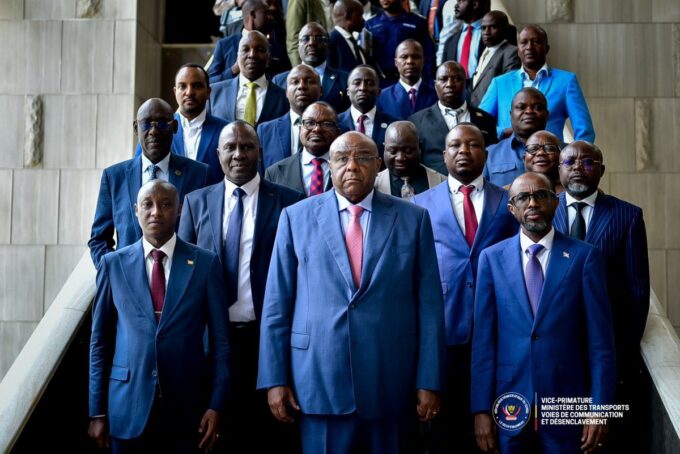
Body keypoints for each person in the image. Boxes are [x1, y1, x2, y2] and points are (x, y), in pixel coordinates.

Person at [257, 131, 446, 453]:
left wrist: (429, 380)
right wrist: (274, 379)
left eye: (362, 158)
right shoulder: (295, 217)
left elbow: (430, 308)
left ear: (379, 164)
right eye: (342, 158)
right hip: (318, 382)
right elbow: (277, 305)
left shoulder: (413, 218)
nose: (352, 166)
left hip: (391, 382)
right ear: (329, 166)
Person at [178, 121, 303, 452]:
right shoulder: (195, 202)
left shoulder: (290, 202)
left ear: (260, 152)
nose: (238, 154)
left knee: (265, 438)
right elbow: (183, 282)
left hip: (266, 342)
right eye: (230, 148)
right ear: (218, 153)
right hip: (212, 343)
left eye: (246, 147)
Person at [472, 172, 616, 453]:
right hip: (509, 403)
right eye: (523, 198)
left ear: (556, 202)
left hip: (567, 404)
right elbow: (483, 344)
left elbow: (601, 344)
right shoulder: (491, 258)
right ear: (511, 208)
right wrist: (480, 410)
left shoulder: (585, 257)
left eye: (541, 195)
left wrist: (599, 409)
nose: (533, 203)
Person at [88, 180, 231, 453]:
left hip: (189, 411)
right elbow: (99, 342)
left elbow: (221, 342)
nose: (156, 212)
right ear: (136, 210)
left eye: (165, 204)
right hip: (126, 409)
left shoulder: (205, 263)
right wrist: (97, 411)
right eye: (148, 204)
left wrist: (216, 405)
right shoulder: (112, 264)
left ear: (179, 209)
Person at [414, 123, 516, 452]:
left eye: (472, 145)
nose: (463, 151)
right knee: (445, 435)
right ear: (444, 155)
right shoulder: (419, 204)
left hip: (498, 330)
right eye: (455, 145)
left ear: (486, 154)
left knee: (494, 433)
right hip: (445, 333)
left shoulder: (509, 202)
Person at [554, 141, 650, 453]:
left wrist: (620, 350)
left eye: (587, 162)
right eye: (569, 162)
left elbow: (637, 292)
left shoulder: (627, 216)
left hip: (606, 352)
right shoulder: (543, 209)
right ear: (559, 169)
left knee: (602, 443)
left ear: (601, 170)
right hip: (555, 352)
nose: (577, 168)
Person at [89, 98, 209, 267]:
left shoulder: (199, 174)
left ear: (175, 127)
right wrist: (114, 273)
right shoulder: (114, 177)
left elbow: (206, 236)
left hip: (182, 276)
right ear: (135, 128)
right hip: (129, 278)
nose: (153, 131)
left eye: (162, 123)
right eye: (146, 124)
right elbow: (99, 239)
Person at [479, 25, 595, 142]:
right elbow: (479, 124)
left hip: (550, 152)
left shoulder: (566, 81)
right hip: (508, 152)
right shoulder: (499, 83)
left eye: (536, 42)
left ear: (547, 48)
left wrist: (576, 153)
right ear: (518, 50)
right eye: (524, 42)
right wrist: (503, 133)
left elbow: (584, 130)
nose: (529, 47)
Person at [134, 64, 227, 185]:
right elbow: (138, 171)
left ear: (208, 92)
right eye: (182, 86)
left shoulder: (225, 130)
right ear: (175, 91)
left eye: (196, 86)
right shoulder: (155, 128)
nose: (189, 92)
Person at [408, 60, 496, 175]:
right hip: (434, 184)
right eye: (444, 79)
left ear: (466, 84)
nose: (450, 84)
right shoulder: (416, 121)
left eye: (456, 79)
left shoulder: (486, 120)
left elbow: (492, 158)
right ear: (435, 85)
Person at [210, 31, 288, 125]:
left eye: (259, 50)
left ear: (268, 59)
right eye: (245, 49)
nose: (252, 55)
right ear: (237, 57)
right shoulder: (213, 93)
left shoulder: (284, 98)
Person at [264, 101, 340, 195]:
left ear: (337, 133)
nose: (317, 129)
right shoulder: (274, 173)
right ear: (300, 129)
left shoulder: (348, 168)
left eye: (326, 124)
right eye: (310, 123)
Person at [273, 22, 350, 113]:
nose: (312, 43)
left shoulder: (345, 80)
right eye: (305, 39)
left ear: (328, 44)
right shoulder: (279, 81)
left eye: (319, 39)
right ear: (298, 45)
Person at [208, 0, 291, 83]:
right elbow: (211, 81)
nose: (271, 17)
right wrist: (233, 70)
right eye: (266, 13)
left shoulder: (277, 45)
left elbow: (286, 78)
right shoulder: (224, 45)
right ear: (253, 14)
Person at [258, 64, 323, 169]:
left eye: (310, 81)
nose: (302, 86)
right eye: (295, 82)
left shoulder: (338, 130)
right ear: (286, 92)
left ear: (321, 90)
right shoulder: (265, 131)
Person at [483, 87, 549, 187]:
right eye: (521, 107)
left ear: (547, 115)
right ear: (511, 115)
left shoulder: (563, 153)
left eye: (537, 107)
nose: (529, 111)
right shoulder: (489, 154)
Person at [366, 0, 435, 85]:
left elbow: (428, 55)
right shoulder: (370, 24)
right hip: (381, 81)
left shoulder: (418, 22)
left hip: (410, 80)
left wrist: (429, 82)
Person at [338, 65, 398, 159]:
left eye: (369, 83)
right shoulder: (335, 123)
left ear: (379, 91)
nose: (363, 88)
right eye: (357, 83)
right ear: (348, 91)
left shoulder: (393, 125)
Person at [375, 121, 445, 199]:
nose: (400, 158)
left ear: (420, 147)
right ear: (384, 148)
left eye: (408, 151)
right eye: (393, 151)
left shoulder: (442, 182)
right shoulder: (372, 185)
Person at [469, 10, 520, 107]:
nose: (486, 32)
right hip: (476, 109)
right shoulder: (485, 51)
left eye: (493, 27)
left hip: (493, 111)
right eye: (483, 28)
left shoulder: (511, 52)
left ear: (504, 29)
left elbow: (508, 86)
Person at [376, 40, 438, 120]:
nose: (410, 61)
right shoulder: (381, 97)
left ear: (424, 61)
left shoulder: (436, 95)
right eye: (404, 57)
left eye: (415, 57)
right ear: (396, 62)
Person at [441, 0, 485, 78]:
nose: (456, 6)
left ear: (475, 4)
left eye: (461, 1)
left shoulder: (494, 35)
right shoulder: (450, 42)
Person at [328, 0, 369, 72]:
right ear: (348, 16)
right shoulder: (330, 42)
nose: (363, 20)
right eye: (360, 15)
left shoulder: (353, 42)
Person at [285, 0, 328, 65]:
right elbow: (293, 41)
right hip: (305, 64)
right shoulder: (297, 1)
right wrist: (300, 68)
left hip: (320, 62)